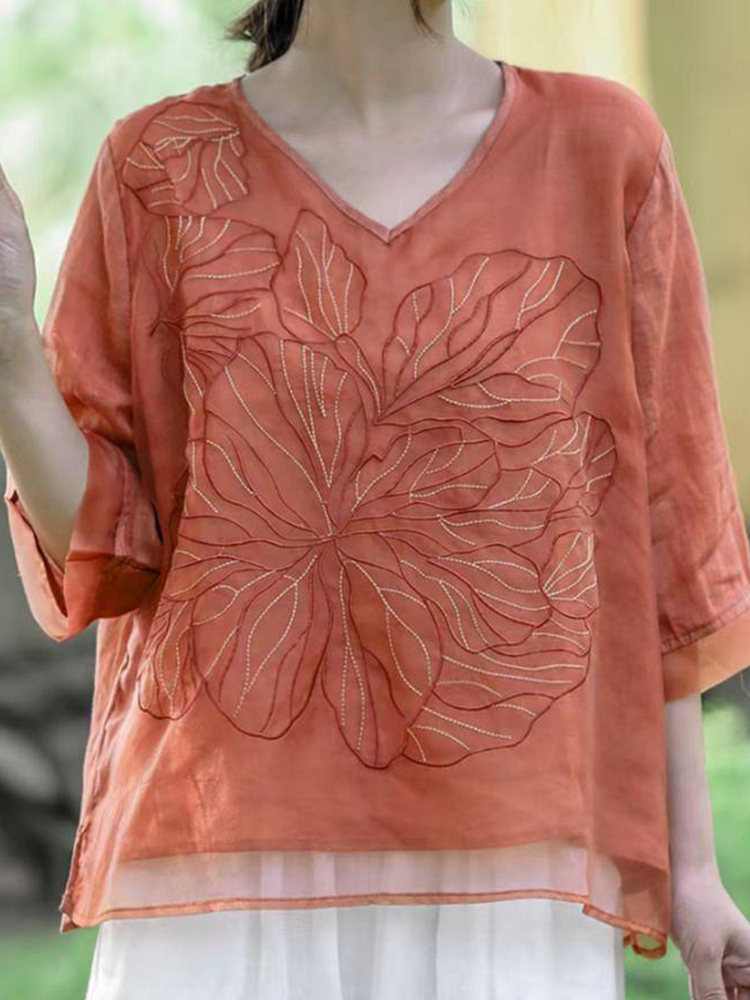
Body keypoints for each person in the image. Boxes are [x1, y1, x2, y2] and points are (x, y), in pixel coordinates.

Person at [2, 0, 750, 997]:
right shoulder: (160, 167)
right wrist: (11, 353)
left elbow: (670, 543)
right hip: (223, 884)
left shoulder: (602, 151)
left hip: (508, 889)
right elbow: (106, 553)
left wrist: (695, 876)